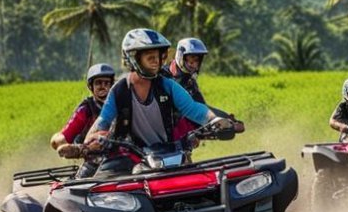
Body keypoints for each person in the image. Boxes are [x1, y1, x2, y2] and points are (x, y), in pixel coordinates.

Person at [85, 28, 242, 174]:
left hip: (168, 153)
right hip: (127, 156)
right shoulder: (120, 89)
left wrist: (214, 119)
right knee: (99, 190)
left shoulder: (168, 85)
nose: (156, 62)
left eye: (159, 57)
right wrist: (89, 140)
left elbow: (193, 108)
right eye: (150, 58)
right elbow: (103, 120)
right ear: (133, 59)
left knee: (195, 181)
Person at [52, 63, 115, 160]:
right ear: (90, 87)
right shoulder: (85, 110)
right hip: (94, 158)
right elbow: (66, 134)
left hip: (123, 155)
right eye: (98, 83)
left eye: (107, 83)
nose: (103, 87)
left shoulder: (122, 104)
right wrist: (60, 141)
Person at [165, 37, 208, 103]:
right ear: (180, 56)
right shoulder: (163, 75)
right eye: (191, 59)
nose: (194, 65)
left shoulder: (190, 81)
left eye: (197, 60)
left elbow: (201, 106)